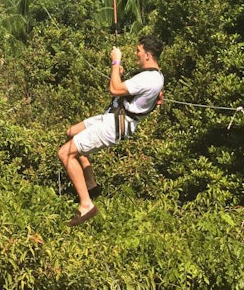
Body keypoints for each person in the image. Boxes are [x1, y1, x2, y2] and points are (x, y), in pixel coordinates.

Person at [58, 33, 165, 226]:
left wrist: (115, 62)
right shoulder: (156, 77)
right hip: (113, 116)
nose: (136, 54)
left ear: (148, 54)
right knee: (71, 133)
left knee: (65, 153)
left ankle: (86, 205)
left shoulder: (148, 78)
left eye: (138, 51)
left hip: (115, 124)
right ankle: (91, 185)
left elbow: (115, 90)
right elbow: (130, 92)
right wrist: (120, 74)